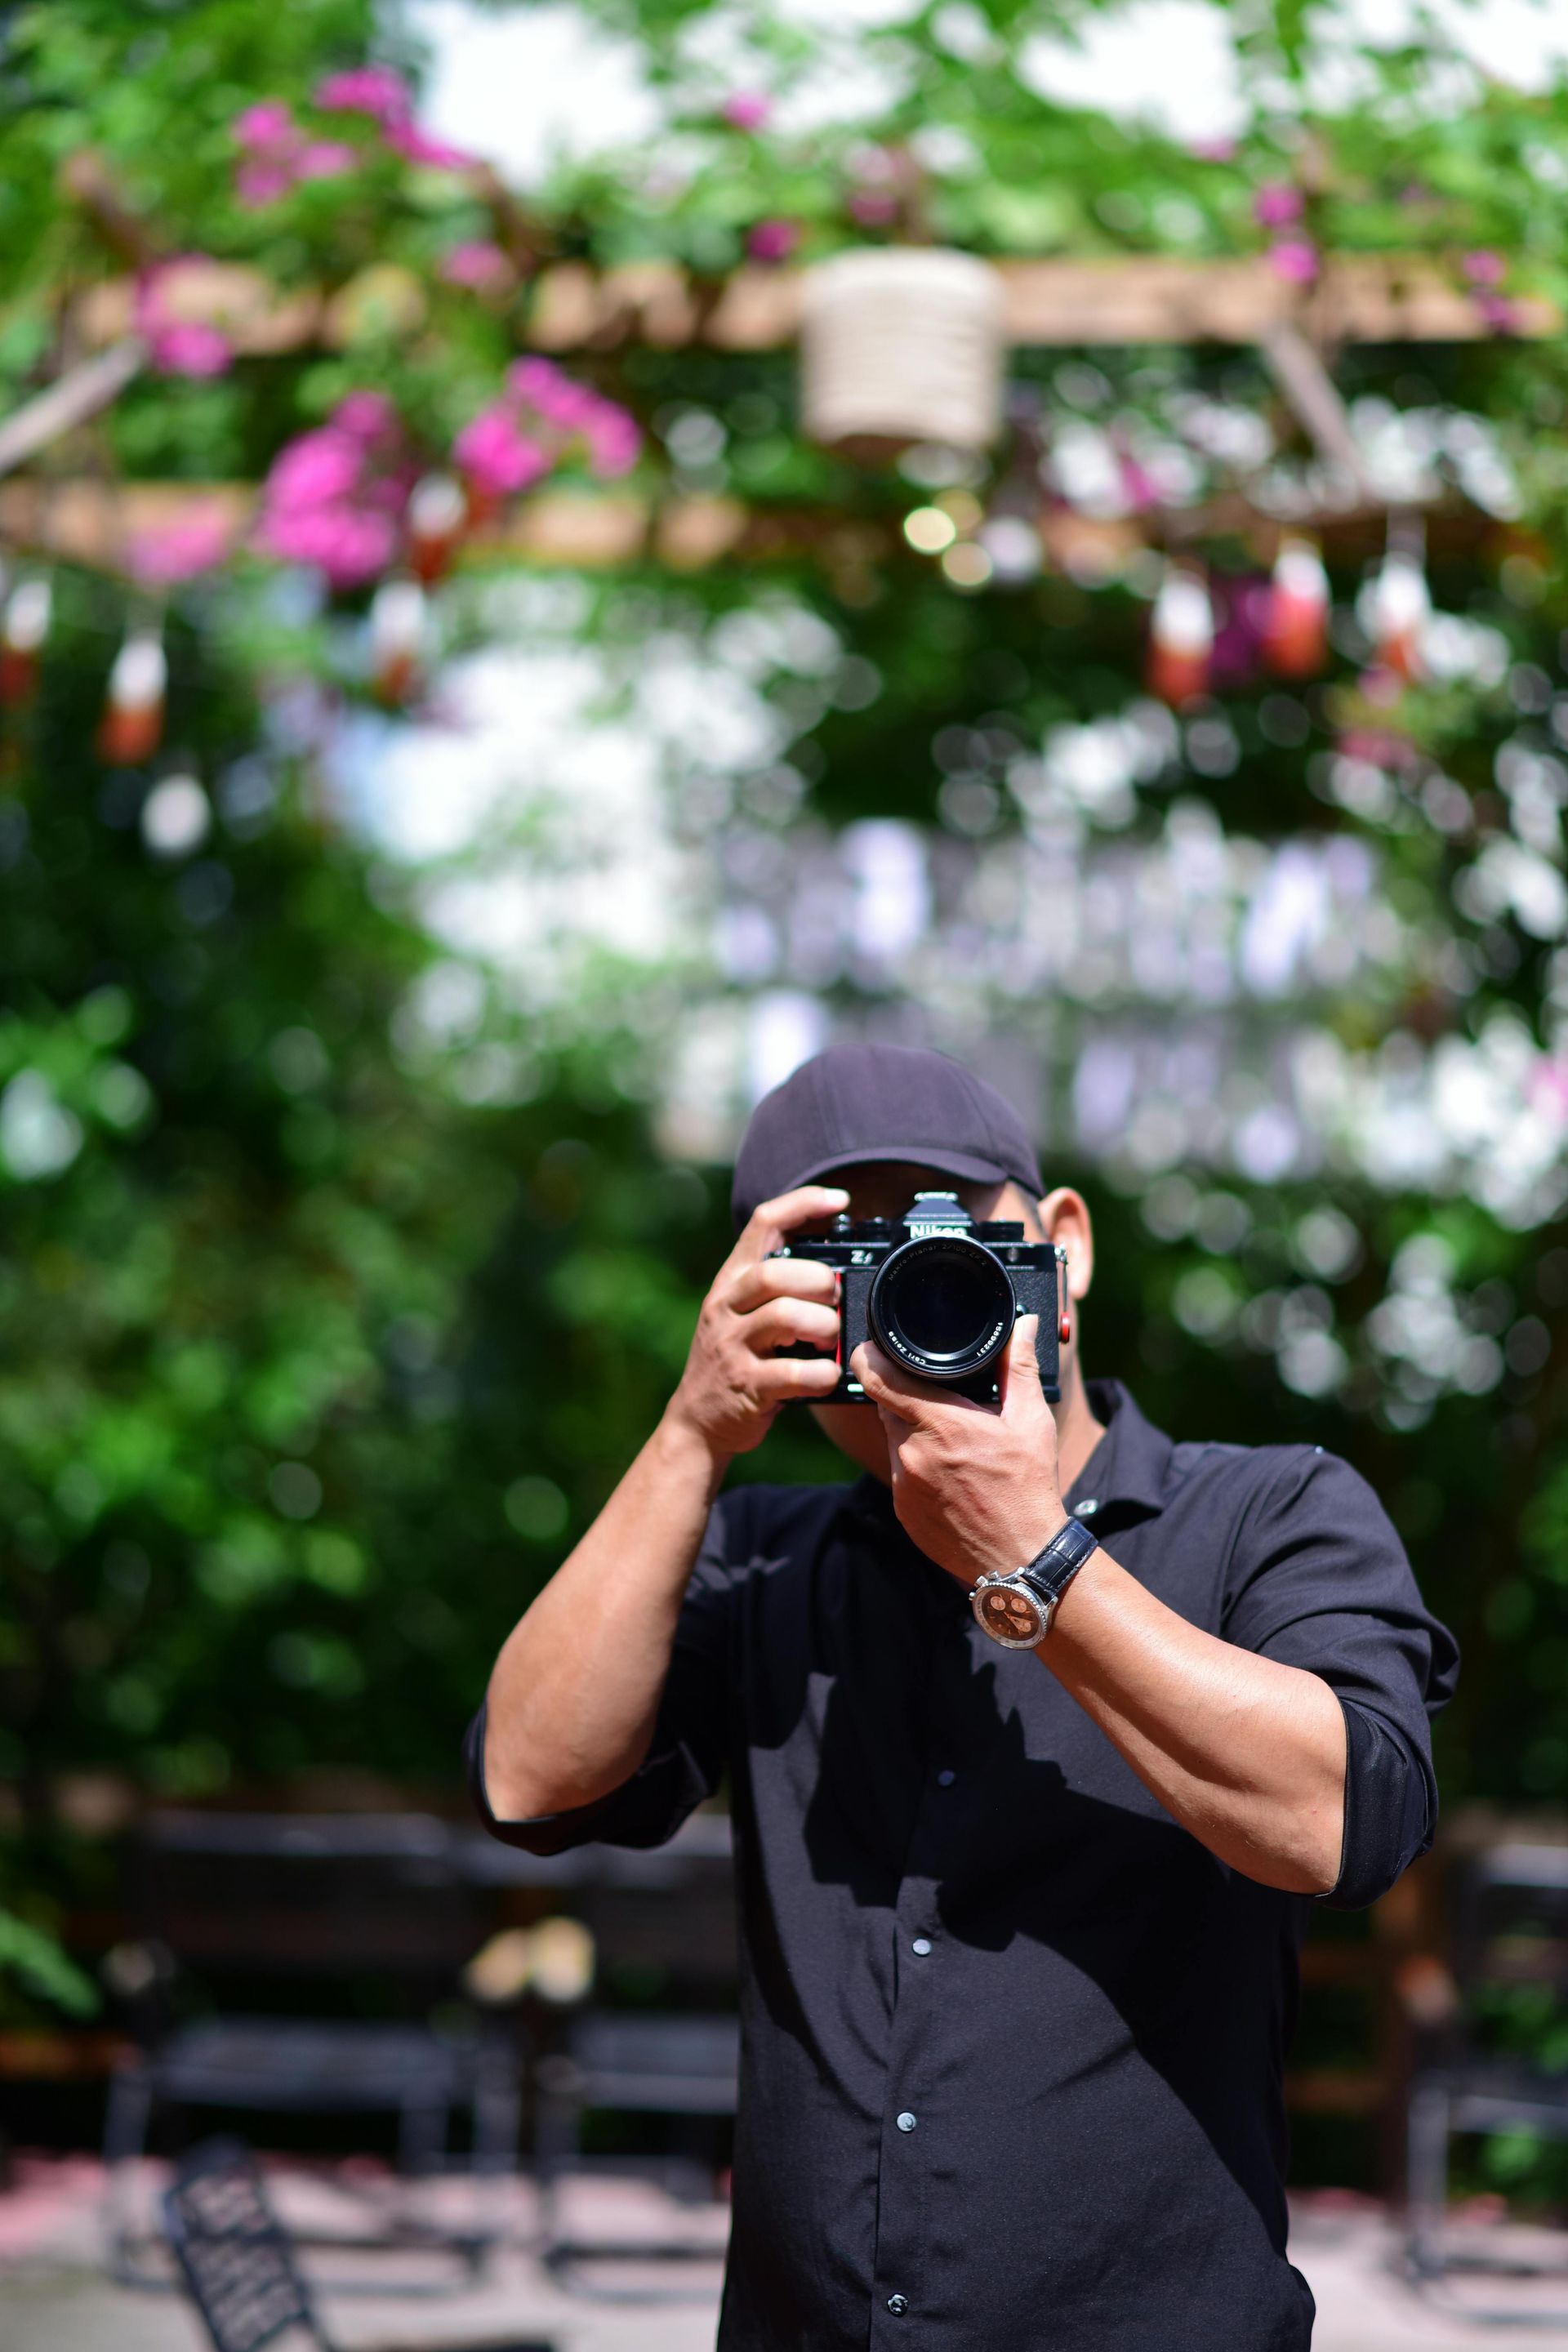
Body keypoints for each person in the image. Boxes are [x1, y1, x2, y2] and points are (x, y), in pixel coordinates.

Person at [467, 1042, 1456, 2350]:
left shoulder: (1270, 1512)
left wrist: (1036, 1557)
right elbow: (530, 1780)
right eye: (841, 1260)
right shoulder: (762, 1551)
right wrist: (692, 1433)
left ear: (1065, 1248)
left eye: (950, 1238)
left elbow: (1348, 1819)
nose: (908, 1293)